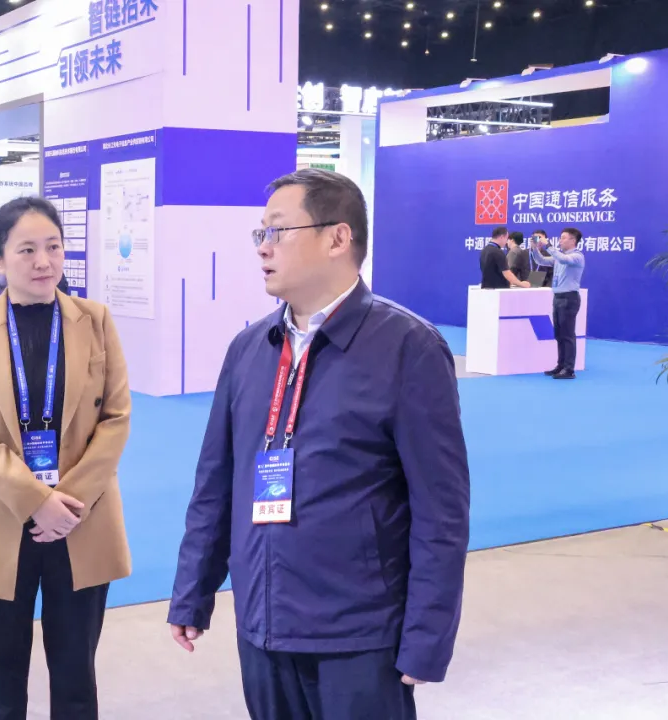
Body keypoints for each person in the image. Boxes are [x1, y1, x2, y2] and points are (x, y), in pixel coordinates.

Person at [167, 169, 470, 720]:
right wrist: (193, 589)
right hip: (262, 625)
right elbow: (216, 482)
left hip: (358, 637)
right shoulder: (249, 348)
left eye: (278, 231)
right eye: (260, 233)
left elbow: (441, 509)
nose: (263, 247)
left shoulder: (408, 348)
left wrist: (427, 636)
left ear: (337, 238)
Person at [0, 196, 131, 720]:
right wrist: (35, 502)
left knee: (76, 677)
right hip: (1, 514)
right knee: (0, 679)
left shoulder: (95, 320)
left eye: (53, 247)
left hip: (81, 517)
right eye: (26, 250)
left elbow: (116, 417)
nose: (43, 261)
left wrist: (64, 502)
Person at [532, 227, 586, 380]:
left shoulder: (577, 256)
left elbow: (563, 259)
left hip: (569, 298)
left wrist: (548, 245)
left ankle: (569, 369)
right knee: (559, 334)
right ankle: (561, 365)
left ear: (573, 240)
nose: (560, 240)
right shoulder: (558, 256)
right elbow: (541, 261)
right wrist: (535, 248)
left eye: (563, 238)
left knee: (567, 334)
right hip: (557, 297)